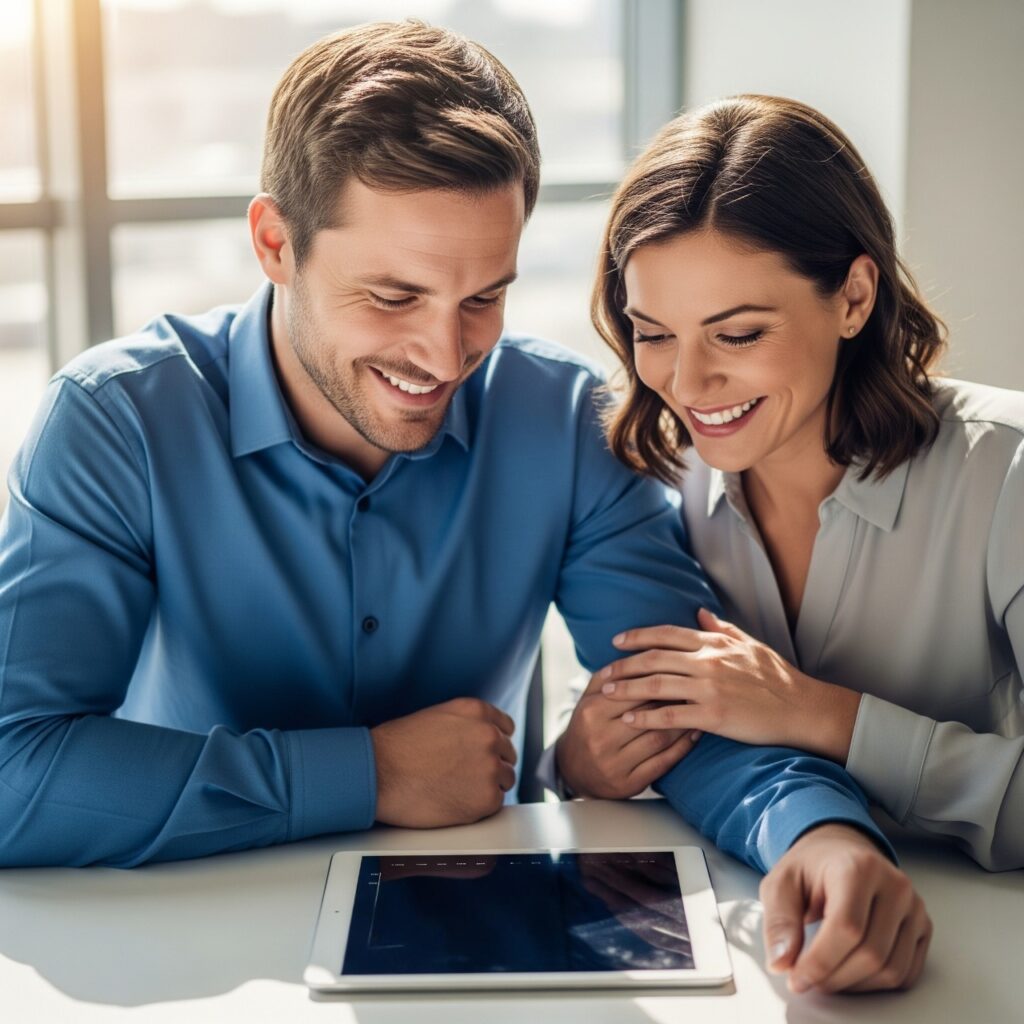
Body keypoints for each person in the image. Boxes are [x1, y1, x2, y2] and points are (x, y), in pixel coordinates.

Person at [0, 25, 923, 994]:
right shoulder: (117, 421)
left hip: (491, 955)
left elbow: (681, 702)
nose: (444, 357)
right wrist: (367, 774)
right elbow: (15, 771)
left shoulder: (567, 421)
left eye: (483, 297)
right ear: (275, 243)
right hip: (180, 955)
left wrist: (821, 834)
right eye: (394, 296)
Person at [592, 94, 1023, 872]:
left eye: (738, 333)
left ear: (854, 297)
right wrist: (582, 758)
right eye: (653, 335)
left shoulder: (1007, 472)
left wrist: (822, 716)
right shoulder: (667, 481)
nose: (687, 382)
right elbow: (645, 731)